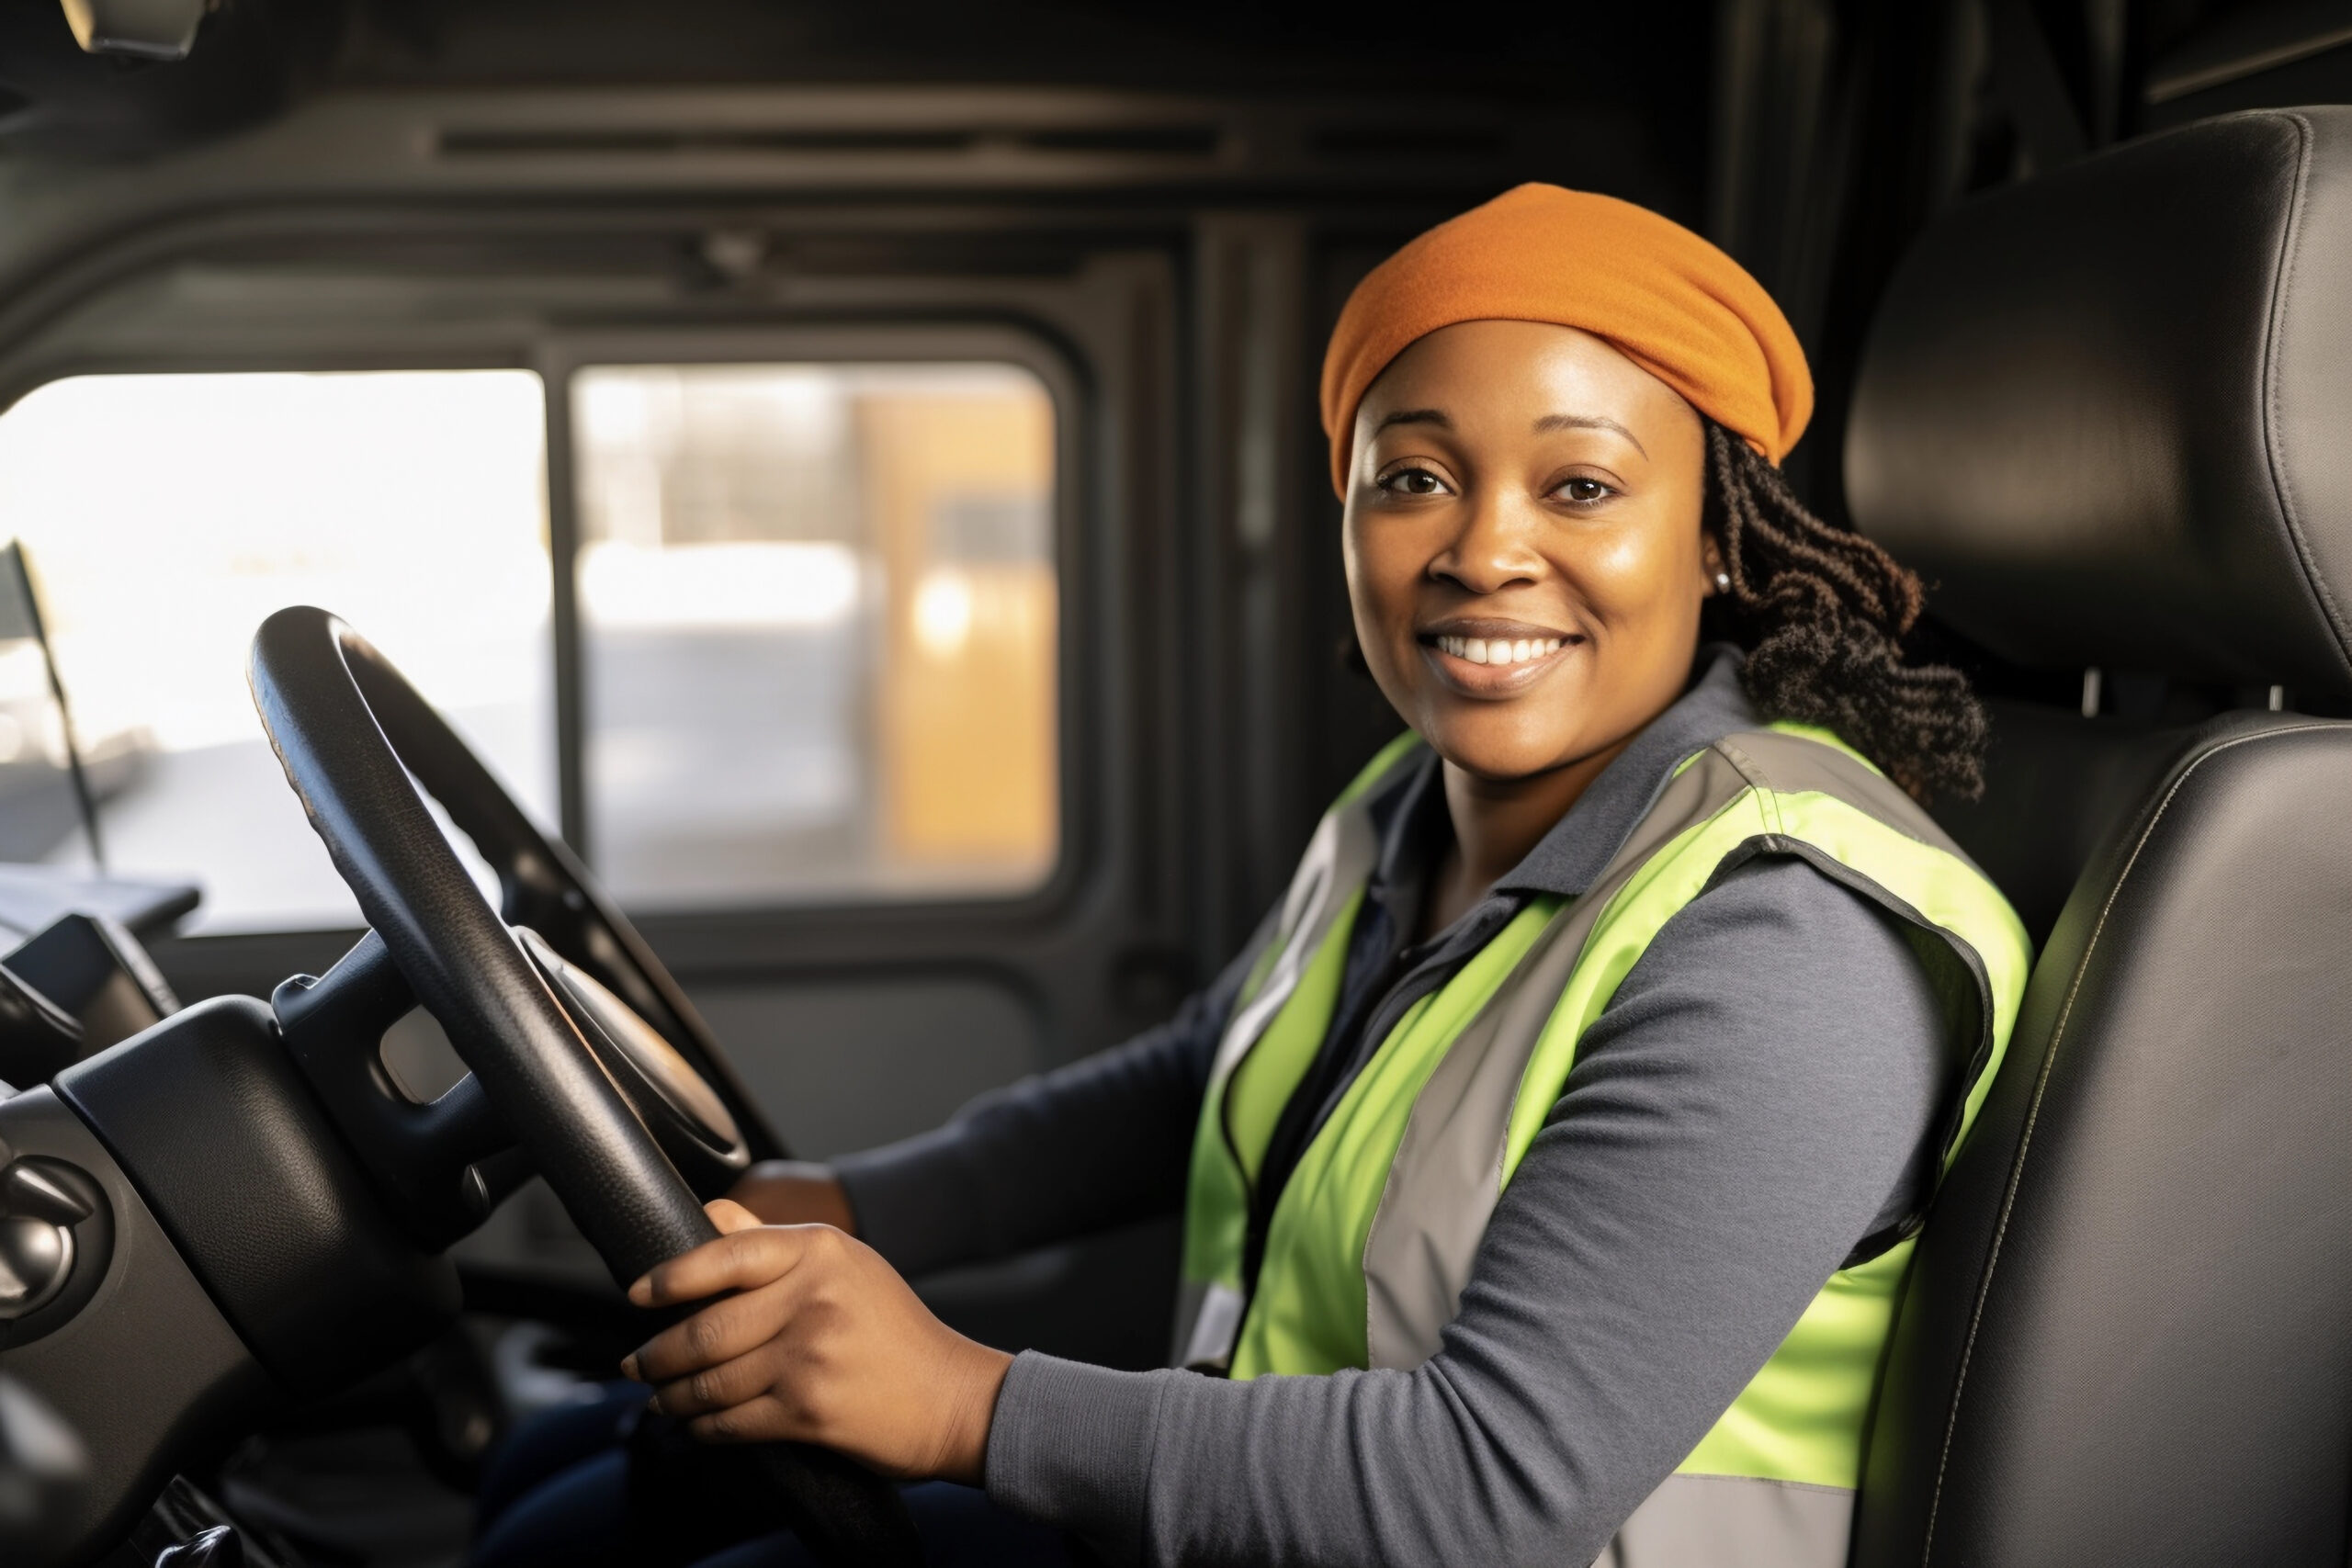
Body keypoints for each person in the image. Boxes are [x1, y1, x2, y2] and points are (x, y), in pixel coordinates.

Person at [471, 183, 2029, 1568]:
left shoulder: (1780, 938)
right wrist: (858, 1207)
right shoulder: (1416, 803)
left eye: (1580, 488)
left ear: (1712, 542)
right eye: (1414, 477)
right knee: (567, 1492)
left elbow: (1489, 1490)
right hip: (1260, 1517)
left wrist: (963, 1405)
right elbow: (1204, 1077)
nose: (1485, 550)